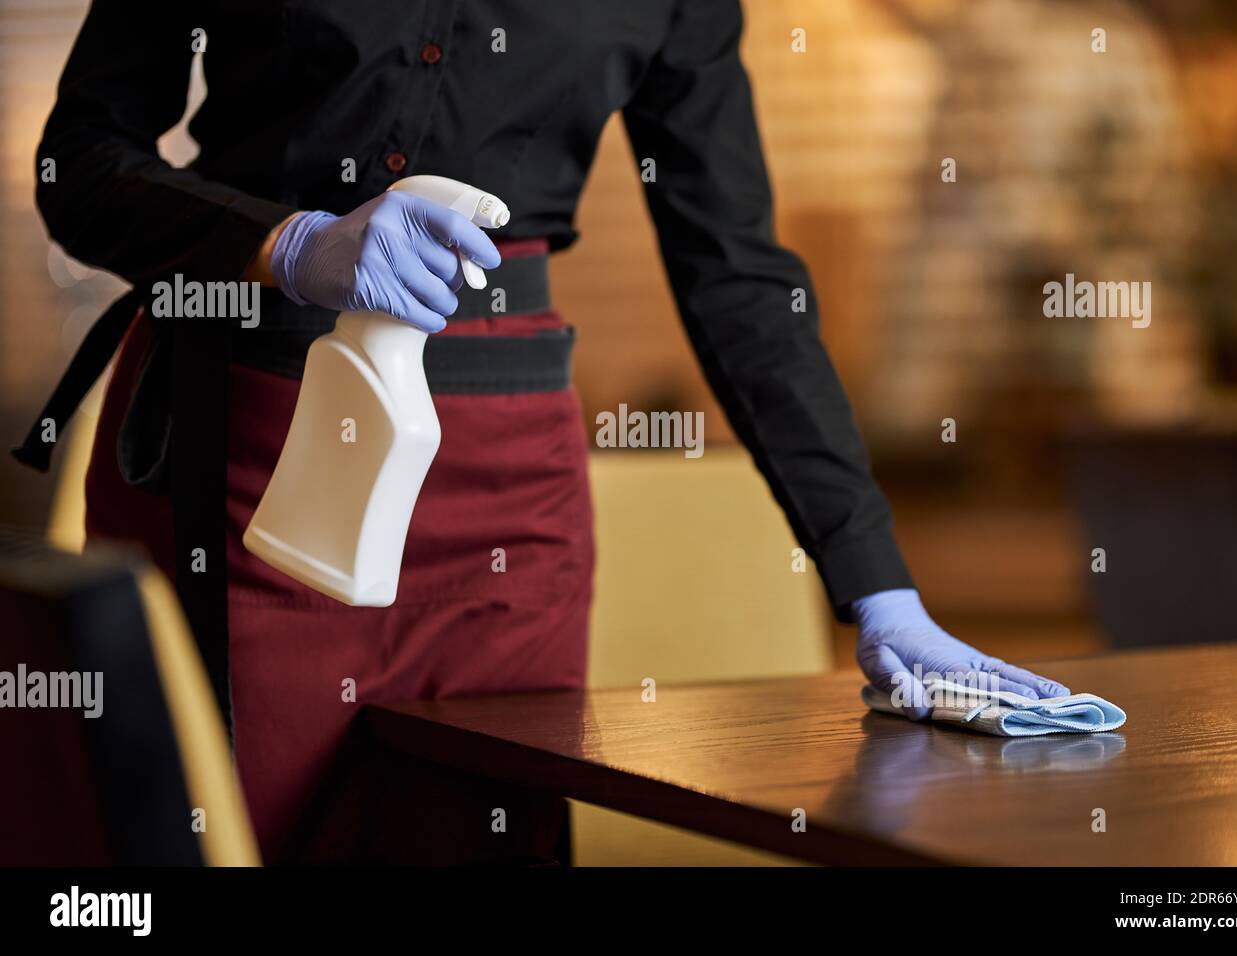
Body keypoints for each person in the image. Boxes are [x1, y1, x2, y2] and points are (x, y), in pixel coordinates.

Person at [19, 0, 1068, 863]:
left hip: (508, 494)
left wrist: (878, 589)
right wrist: (288, 245)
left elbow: (737, 277)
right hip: (251, 445)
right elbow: (79, 161)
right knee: (237, 833)